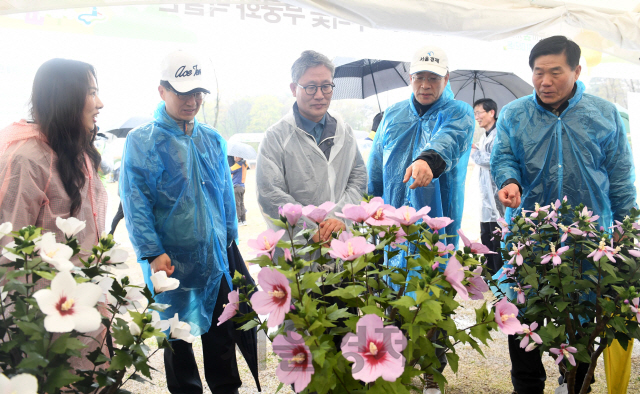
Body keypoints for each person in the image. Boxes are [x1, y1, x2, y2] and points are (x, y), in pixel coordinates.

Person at [491, 35, 636, 394]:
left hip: (588, 236)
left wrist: (626, 231)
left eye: (555, 72)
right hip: (530, 234)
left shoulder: (605, 115)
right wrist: (508, 180)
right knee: (523, 312)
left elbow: (620, 179)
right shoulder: (514, 114)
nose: (545, 81)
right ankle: (527, 386)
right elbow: (504, 157)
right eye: (538, 73)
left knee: (582, 315)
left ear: (576, 70)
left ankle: (574, 384)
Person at [120, 50, 251, 394]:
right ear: (162, 90)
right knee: (176, 338)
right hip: (170, 260)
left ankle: (227, 389)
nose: (192, 101)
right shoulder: (142, 141)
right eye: (182, 92)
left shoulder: (212, 138)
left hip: (214, 258)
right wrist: (151, 251)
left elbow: (224, 194)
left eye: (198, 93)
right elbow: (136, 202)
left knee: (221, 333)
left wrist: (229, 241)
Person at [368, 45, 475, 394]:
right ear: (410, 78)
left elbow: (451, 140)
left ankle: (432, 370)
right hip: (392, 225)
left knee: (433, 298)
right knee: (393, 295)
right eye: (419, 77)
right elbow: (374, 167)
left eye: (433, 77)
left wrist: (428, 160)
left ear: (446, 79)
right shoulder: (393, 114)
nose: (425, 84)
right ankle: (394, 367)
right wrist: (370, 206)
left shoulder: (458, 112)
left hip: (435, 228)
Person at [0, 58, 108, 368]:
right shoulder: (27, 159)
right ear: (64, 98)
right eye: (91, 92)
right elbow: (9, 252)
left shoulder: (78, 152)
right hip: (43, 314)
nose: (100, 103)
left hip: (83, 302)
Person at [256, 50, 367, 243]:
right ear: (293, 88)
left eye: (326, 86)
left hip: (340, 239)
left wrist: (340, 217)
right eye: (310, 87)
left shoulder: (344, 132)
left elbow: (358, 178)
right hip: (298, 249)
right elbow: (270, 193)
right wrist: (307, 228)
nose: (319, 95)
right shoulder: (276, 137)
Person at [470, 98, 504, 276]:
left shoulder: (499, 134)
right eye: (475, 113)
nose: (477, 117)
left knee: (497, 235)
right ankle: (490, 270)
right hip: (486, 196)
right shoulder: (485, 135)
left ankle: (500, 274)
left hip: (496, 193)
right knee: (486, 234)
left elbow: (492, 160)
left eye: (479, 113)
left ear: (491, 112)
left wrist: (474, 152)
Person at [230, 156, 248, 226]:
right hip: (242, 186)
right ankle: (244, 220)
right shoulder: (244, 164)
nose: (234, 157)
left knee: (237, 204)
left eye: (235, 156)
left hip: (237, 187)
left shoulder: (238, 165)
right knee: (242, 204)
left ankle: (239, 220)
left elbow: (230, 170)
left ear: (238, 157)